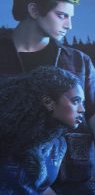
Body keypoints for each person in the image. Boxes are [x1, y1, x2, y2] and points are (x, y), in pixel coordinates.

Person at [0, 0, 95, 193]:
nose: (69, 24)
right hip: (13, 178)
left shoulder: (78, 61)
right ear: (34, 10)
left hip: (74, 173)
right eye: (61, 15)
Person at [0, 66, 85, 194]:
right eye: (76, 101)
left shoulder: (58, 145)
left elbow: (41, 189)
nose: (82, 109)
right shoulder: (7, 137)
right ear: (48, 102)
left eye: (82, 102)